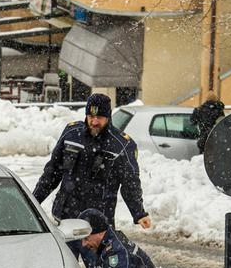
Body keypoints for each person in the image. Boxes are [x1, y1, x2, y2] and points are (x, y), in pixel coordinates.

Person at [33, 93, 151, 230]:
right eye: (91, 117)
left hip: (99, 221)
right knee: (65, 252)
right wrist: (33, 202)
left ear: (108, 117)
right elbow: (52, 173)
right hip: (65, 216)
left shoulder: (122, 145)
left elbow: (130, 183)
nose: (94, 122)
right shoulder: (71, 133)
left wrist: (139, 213)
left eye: (99, 117)